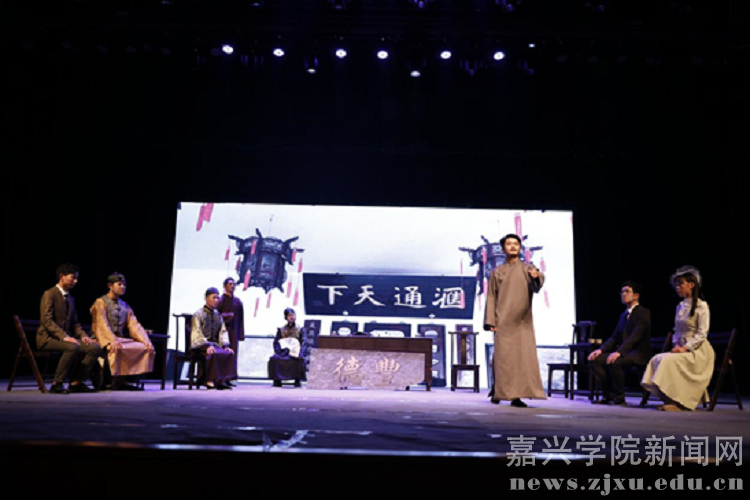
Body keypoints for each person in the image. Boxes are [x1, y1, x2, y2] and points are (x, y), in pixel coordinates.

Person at [483, 234, 546, 408]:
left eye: (516, 244)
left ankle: (516, 396)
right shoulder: (497, 271)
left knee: (521, 359)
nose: (512, 246)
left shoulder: (527, 268)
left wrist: (536, 276)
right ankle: (498, 390)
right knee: (503, 359)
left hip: (522, 322)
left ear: (520, 248)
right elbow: (491, 297)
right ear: (503, 248)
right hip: (502, 320)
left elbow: (537, 283)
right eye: (509, 244)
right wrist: (490, 321)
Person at [641, 266, 714, 411]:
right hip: (681, 348)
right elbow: (677, 330)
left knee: (668, 361)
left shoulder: (702, 306)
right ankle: (669, 398)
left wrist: (685, 348)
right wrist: (676, 345)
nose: (678, 287)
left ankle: (679, 402)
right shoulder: (680, 306)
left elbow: (702, 333)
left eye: (681, 283)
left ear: (691, 285)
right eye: (676, 284)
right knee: (657, 358)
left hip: (698, 351)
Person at [36, 263, 102, 394]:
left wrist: (83, 336)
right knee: (72, 347)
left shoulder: (70, 299)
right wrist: (64, 337)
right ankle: (57, 383)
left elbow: (75, 323)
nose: (75, 281)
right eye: (73, 277)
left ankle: (76, 382)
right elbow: (47, 320)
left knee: (94, 347)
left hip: (64, 339)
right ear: (62, 276)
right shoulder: (49, 294)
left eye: (77, 278)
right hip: (47, 339)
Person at [588, 281, 652, 406]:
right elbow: (615, 337)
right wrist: (601, 350)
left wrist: (619, 352)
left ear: (636, 295)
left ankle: (619, 398)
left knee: (614, 361)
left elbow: (635, 337)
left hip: (638, 353)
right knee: (595, 359)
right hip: (625, 352)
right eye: (622, 292)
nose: (623, 294)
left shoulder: (643, 313)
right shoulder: (623, 315)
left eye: (627, 291)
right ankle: (608, 395)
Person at [90, 272, 155, 391]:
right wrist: (110, 340)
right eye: (119, 284)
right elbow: (101, 324)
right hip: (101, 338)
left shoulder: (125, 305)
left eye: (124, 284)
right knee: (114, 347)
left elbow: (134, 325)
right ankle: (108, 382)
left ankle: (123, 381)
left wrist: (145, 340)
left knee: (142, 347)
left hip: (119, 338)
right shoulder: (100, 302)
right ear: (110, 285)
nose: (123, 287)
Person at [191, 287, 237, 390]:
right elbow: (197, 332)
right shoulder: (198, 314)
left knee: (228, 353)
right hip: (201, 345)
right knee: (212, 352)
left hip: (214, 345)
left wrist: (225, 345)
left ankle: (222, 380)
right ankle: (209, 380)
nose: (216, 300)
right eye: (214, 298)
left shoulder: (218, 315)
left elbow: (223, 331)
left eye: (217, 298)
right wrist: (206, 346)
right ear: (206, 298)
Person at [268, 308, 306, 388]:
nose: (291, 317)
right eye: (289, 315)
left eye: (293, 315)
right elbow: (276, 342)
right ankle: (277, 380)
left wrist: (299, 353)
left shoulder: (300, 329)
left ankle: (297, 381)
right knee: (274, 358)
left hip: (295, 352)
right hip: (283, 352)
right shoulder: (281, 329)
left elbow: (303, 342)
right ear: (286, 317)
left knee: (299, 359)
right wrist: (280, 351)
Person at [217, 277, 244, 387]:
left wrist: (241, 334)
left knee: (233, 354)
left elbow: (241, 319)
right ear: (224, 286)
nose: (232, 286)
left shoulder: (238, 302)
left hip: (234, 331)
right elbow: (216, 316)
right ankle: (221, 378)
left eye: (233, 284)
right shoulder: (220, 300)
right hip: (223, 331)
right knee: (223, 353)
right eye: (230, 284)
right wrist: (226, 316)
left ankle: (229, 378)